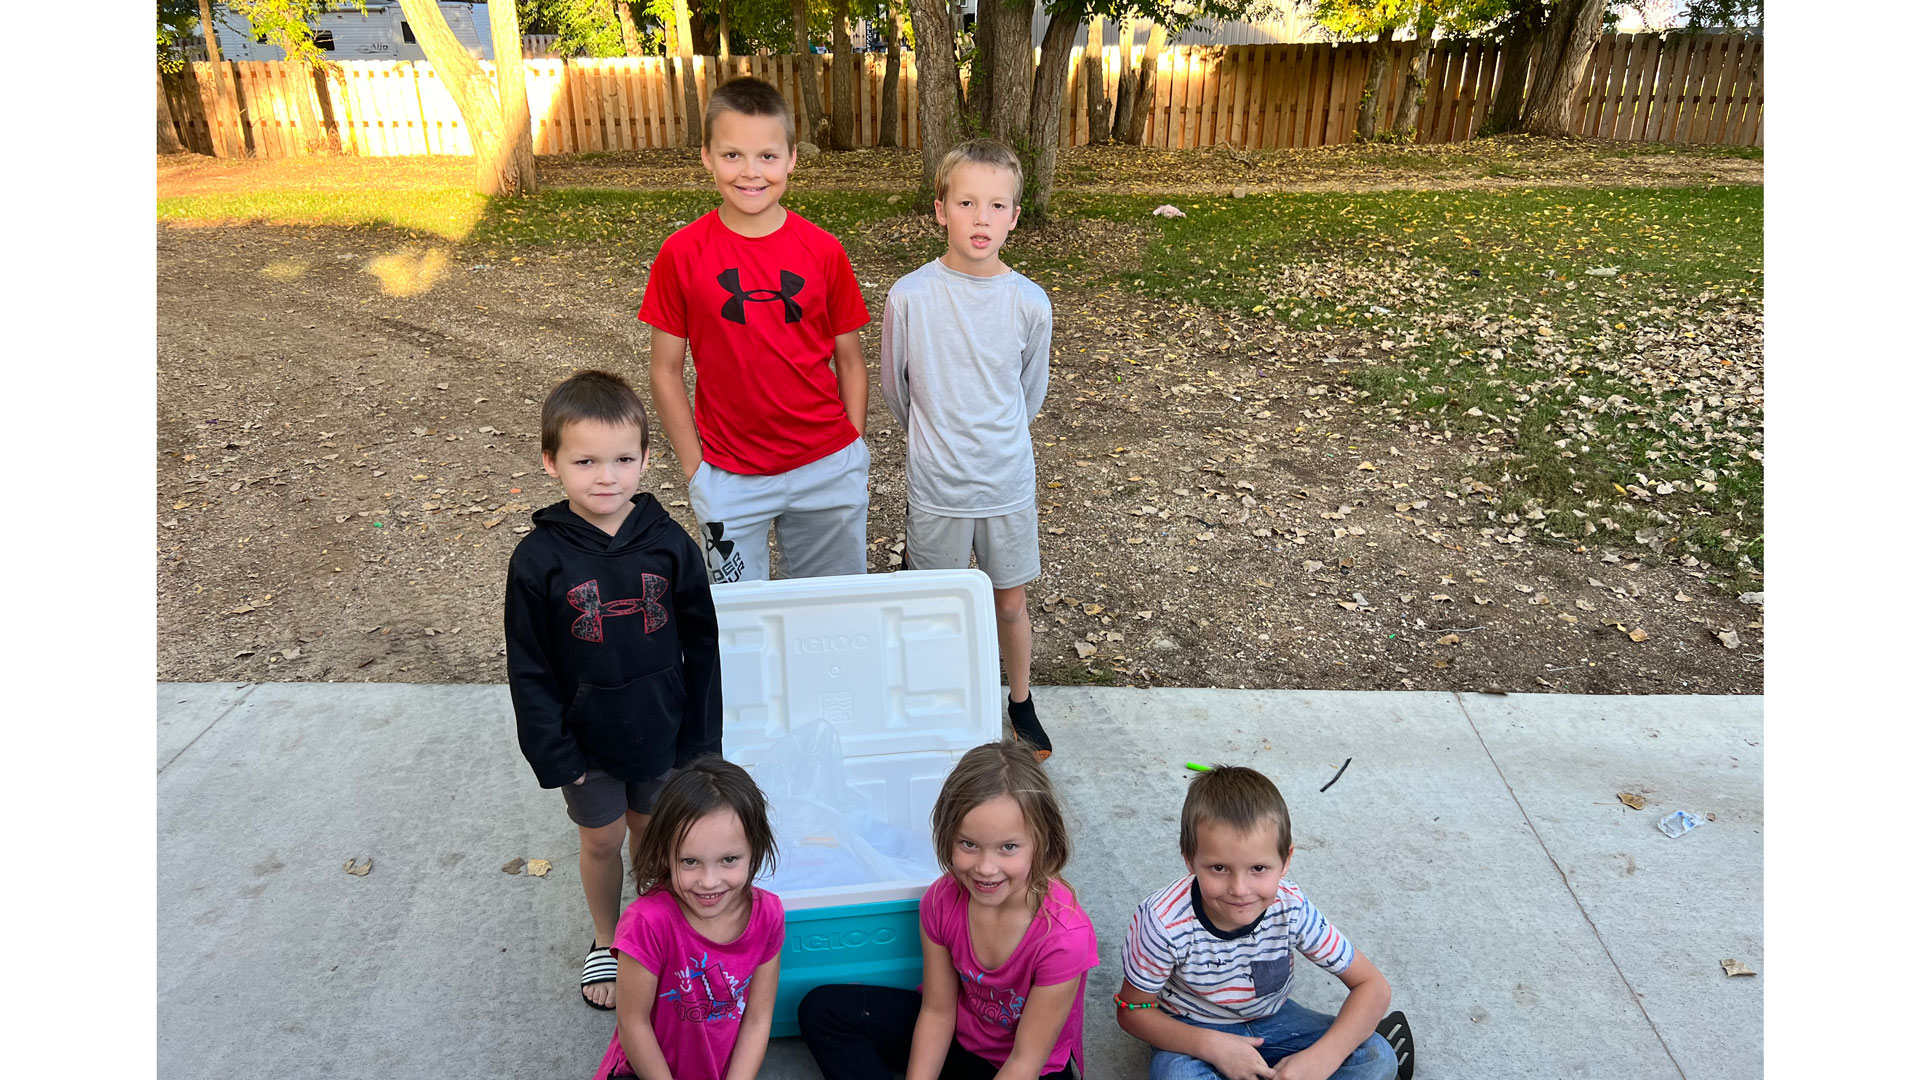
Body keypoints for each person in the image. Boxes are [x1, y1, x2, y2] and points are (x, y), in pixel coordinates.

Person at [504, 370, 721, 1012]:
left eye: (624, 459)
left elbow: (704, 647)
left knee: (655, 839)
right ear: (552, 463)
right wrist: (556, 753)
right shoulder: (537, 559)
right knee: (601, 839)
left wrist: (701, 738)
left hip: (663, 729)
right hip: (586, 740)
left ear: (646, 459)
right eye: (586, 461)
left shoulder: (670, 545)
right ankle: (608, 939)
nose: (607, 476)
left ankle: (656, 934)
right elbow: (530, 667)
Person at [642, 76, 873, 585]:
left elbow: (850, 359)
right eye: (732, 156)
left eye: (767, 156)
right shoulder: (681, 254)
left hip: (826, 468)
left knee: (831, 613)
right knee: (737, 624)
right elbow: (665, 370)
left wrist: (851, 447)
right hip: (729, 475)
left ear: (792, 157)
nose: (751, 172)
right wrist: (695, 470)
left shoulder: (823, 250)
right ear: (706, 156)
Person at [879, 138, 1054, 760]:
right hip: (938, 486)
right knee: (937, 605)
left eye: (996, 205)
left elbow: (1028, 394)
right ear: (940, 209)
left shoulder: (1030, 303)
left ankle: (1021, 700)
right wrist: (934, 444)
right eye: (967, 202)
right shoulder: (910, 297)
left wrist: (994, 441)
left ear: (1013, 215)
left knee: (1010, 599)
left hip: (1005, 480)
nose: (981, 218)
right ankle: (938, 700)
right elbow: (897, 391)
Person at [797, 740, 1098, 1079]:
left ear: (1043, 843)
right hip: (959, 1040)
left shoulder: (1064, 937)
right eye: (968, 844)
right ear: (948, 836)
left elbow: (1026, 1061)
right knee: (821, 1010)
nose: (985, 868)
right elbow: (938, 1012)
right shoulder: (942, 899)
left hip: (1026, 1067)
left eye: (1008, 848)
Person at [1114, 765, 1408, 1080]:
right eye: (1218, 867)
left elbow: (1372, 986)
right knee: (1176, 1075)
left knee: (1376, 1055)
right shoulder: (1162, 921)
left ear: (1285, 860)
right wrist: (1212, 1045)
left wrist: (1321, 1059)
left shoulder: (1291, 906)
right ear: (1189, 858)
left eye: (1258, 867)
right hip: (1192, 1027)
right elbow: (1133, 1011)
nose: (1240, 890)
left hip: (1275, 1020)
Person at [592, 757, 785, 1080]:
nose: (709, 881)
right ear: (665, 854)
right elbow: (633, 1024)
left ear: (756, 849)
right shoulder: (647, 923)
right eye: (690, 861)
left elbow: (757, 1020)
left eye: (729, 859)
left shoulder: (768, 915)